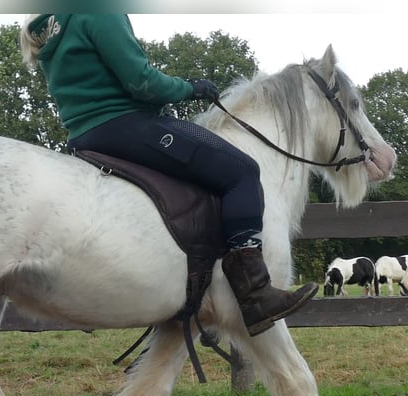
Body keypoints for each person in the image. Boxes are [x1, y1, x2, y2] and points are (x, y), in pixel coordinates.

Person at [19, 14, 318, 336]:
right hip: (126, 125)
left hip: (84, 135)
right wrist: (190, 88)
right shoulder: (98, 9)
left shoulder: (51, 22)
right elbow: (141, 81)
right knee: (242, 171)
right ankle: (255, 291)